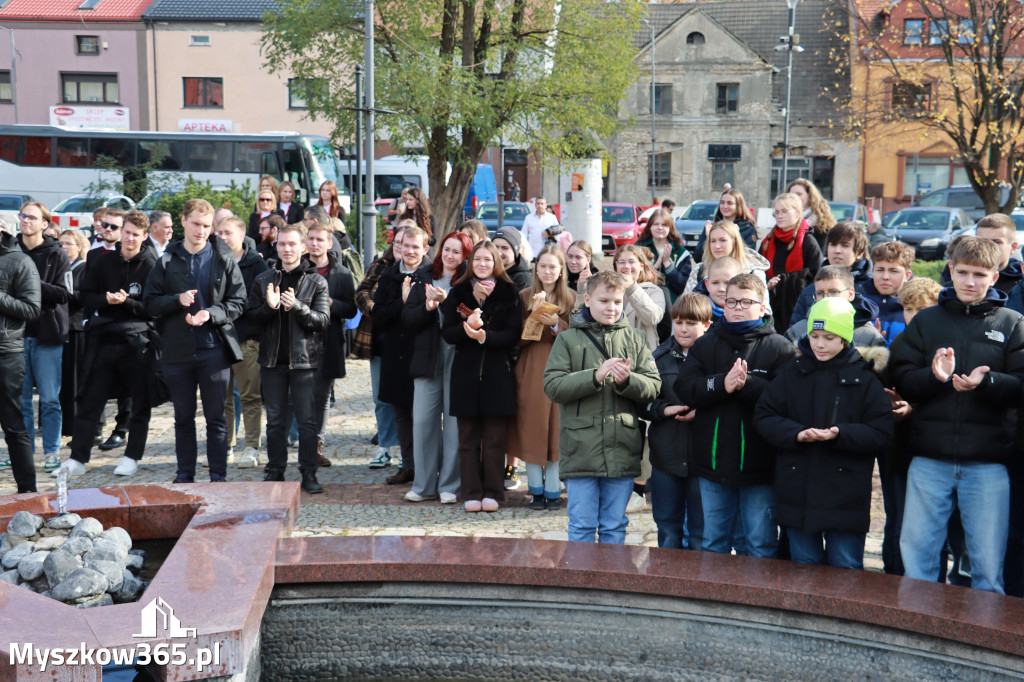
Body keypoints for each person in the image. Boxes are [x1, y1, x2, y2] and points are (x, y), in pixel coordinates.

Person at [892, 236, 1024, 594]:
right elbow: (902, 377)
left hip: (988, 463)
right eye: (963, 272)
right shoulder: (926, 320)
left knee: (987, 569)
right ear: (950, 270)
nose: (970, 281)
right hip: (928, 459)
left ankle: (984, 628)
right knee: (918, 562)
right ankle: (917, 624)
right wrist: (933, 377)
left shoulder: (1012, 323)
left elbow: (1020, 386)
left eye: (979, 275)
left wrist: (988, 382)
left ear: (994, 277)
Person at [756, 298, 893, 569]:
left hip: (846, 494)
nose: (820, 344)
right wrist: (795, 434)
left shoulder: (865, 377)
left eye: (829, 338)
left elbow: (881, 431)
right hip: (798, 491)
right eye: (815, 336)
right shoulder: (792, 372)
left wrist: (840, 434)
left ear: (844, 338)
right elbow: (764, 416)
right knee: (803, 568)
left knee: (845, 568)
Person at [677, 273, 796, 557]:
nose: (737, 307)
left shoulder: (779, 347)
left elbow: (788, 399)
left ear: (762, 307)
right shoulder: (705, 344)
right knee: (714, 543)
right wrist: (721, 384)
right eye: (731, 302)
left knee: (760, 544)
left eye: (745, 302)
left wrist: (748, 385)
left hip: (760, 467)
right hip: (713, 463)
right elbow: (686, 388)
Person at [543, 271, 661, 542]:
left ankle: (611, 572)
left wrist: (628, 381)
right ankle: (580, 572)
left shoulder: (635, 338)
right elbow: (552, 386)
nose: (612, 308)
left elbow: (654, 386)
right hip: (580, 449)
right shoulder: (567, 339)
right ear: (587, 300)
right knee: (582, 525)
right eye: (604, 301)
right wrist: (594, 377)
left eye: (617, 302)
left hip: (622, 448)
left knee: (614, 526)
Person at [144, 198, 246, 484]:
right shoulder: (167, 259)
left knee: (216, 418)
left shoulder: (222, 258)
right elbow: (149, 303)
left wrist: (210, 314)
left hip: (214, 350)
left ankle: (218, 477)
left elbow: (239, 301)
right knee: (183, 418)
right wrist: (176, 300)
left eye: (207, 226)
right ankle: (185, 475)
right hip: (177, 350)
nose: (201, 231)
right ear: (183, 221)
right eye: (196, 224)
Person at [56, 210, 158, 479]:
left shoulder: (152, 265)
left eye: (136, 234)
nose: (130, 238)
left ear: (144, 236)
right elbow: (86, 297)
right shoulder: (103, 262)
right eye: (127, 232)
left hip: (137, 342)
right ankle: (78, 458)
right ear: (121, 232)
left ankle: (131, 457)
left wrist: (127, 302)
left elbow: (153, 308)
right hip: (104, 339)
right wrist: (107, 300)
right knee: (90, 400)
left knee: (139, 404)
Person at [247, 224, 331, 494]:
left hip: (304, 363)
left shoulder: (317, 282)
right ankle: (275, 470)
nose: (287, 249)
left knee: (307, 422)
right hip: (272, 362)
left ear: (303, 247)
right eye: (282, 244)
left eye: (292, 244)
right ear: (276, 246)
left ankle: (309, 473)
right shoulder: (263, 280)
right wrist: (269, 308)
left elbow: (322, 321)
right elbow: (251, 319)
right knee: (275, 421)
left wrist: (296, 307)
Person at [441, 241, 523, 512]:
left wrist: (485, 335)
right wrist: (467, 328)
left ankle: (494, 492)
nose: (482, 264)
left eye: (488, 259)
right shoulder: (459, 291)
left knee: (495, 440)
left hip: (497, 375)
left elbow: (513, 333)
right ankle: (471, 492)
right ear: (470, 262)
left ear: (496, 262)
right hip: (465, 375)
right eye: (477, 259)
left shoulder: (508, 291)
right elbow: (448, 332)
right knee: (467, 440)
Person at [402, 231, 474, 504]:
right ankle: (423, 485)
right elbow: (408, 318)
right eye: (447, 249)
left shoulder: (468, 282)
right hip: (428, 356)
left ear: (465, 256)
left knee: (454, 424)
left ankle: (449, 485)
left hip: (459, 355)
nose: (450, 255)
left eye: (457, 252)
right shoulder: (424, 277)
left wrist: (448, 304)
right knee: (422, 421)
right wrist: (428, 307)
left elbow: (473, 315)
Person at [877, 275, 942, 577]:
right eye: (908, 309)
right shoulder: (899, 343)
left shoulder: (946, 343)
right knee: (897, 515)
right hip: (899, 443)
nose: (913, 316)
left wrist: (914, 407)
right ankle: (892, 576)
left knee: (932, 523)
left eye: (922, 309)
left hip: (933, 442)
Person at [641, 293, 711, 549]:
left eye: (691, 323)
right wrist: (664, 409)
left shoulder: (716, 358)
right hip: (666, 456)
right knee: (668, 529)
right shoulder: (657, 358)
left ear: (706, 325)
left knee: (700, 532)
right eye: (678, 322)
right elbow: (642, 402)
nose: (683, 329)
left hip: (703, 459)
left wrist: (702, 412)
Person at [509, 244, 576, 510]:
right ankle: (535, 489)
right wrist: (535, 320)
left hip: (561, 365)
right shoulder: (525, 295)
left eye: (552, 267)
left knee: (557, 427)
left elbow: (578, 336)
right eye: (543, 266)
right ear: (536, 269)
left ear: (561, 270)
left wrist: (556, 324)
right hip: (531, 364)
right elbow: (516, 338)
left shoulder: (570, 298)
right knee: (532, 425)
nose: (547, 271)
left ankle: (553, 489)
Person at [373, 226, 432, 486]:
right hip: (395, 353)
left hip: (423, 351)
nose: (409, 251)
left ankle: (427, 467)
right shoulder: (389, 276)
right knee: (402, 414)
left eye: (415, 247)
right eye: (405, 246)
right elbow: (379, 316)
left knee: (424, 416)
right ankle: (408, 465)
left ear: (425, 249)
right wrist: (402, 301)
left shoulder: (431, 274)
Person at [17, 201, 70, 474]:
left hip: (47, 335)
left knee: (49, 399)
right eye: (22, 216)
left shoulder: (57, 254)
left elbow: (65, 293)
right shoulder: (9, 250)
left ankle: (51, 452)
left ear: (44, 224)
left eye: (31, 217)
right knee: (20, 400)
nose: (25, 221)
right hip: (15, 335)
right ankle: (23, 452)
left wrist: (30, 282)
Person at [215, 216, 269, 468]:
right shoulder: (213, 260)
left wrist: (228, 309)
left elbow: (257, 303)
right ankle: (225, 447)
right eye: (219, 233)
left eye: (227, 233)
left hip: (246, 339)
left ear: (241, 235)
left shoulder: (257, 264)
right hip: (219, 339)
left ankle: (251, 447)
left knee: (250, 397)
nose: (222, 237)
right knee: (222, 398)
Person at [304, 221, 357, 464]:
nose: (315, 244)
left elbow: (351, 309)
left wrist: (333, 304)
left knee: (322, 396)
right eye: (311, 239)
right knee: (297, 395)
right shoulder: (298, 268)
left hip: (328, 340)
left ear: (329, 243)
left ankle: (316, 445)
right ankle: (299, 440)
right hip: (300, 342)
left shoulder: (342, 273)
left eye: (320, 240)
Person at [356, 226, 406, 469]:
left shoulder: (425, 270)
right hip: (379, 339)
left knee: (408, 399)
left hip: (409, 343)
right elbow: (361, 292)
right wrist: (374, 308)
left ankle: (408, 451)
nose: (401, 248)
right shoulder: (380, 266)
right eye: (397, 242)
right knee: (381, 398)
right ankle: (385, 447)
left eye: (406, 243)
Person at [85, 209, 134, 450]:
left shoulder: (135, 257)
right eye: (105, 225)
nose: (107, 229)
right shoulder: (93, 255)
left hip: (128, 328)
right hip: (100, 326)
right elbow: (87, 292)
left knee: (126, 385)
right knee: (95, 381)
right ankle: (94, 429)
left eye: (114, 227)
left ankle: (121, 429)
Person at [0, 218, 41, 493]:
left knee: (13, 426)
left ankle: (28, 492)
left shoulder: (20, 261)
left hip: (6, 353)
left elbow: (32, 309)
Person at [788, 221, 873, 327]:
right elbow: (796, 330)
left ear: (860, 253)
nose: (837, 251)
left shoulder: (871, 287)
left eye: (845, 245)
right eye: (833, 244)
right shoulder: (811, 290)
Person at [760, 192, 823, 331]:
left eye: (784, 211)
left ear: (798, 213)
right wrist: (768, 283)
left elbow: (817, 274)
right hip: (771, 305)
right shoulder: (768, 241)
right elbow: (758, 269)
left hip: (797, 307)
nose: (779, 216)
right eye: (776, 212)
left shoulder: (808, 241)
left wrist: (784, 280)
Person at [784, 266, 885, 347]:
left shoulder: (870, 336)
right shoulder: (797, 331)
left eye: (833, 291)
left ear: (850, 294)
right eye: (820, 293)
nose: (826, 298)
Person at [57, 230, 89, 438]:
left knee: (75, 379)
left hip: (76, 328)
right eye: (61, 243)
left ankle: (75, 423)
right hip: (58, 328)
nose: (64, 247)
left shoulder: (84, 268)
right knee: (61, 379)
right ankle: (62, 423)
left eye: (69, 243)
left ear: (79, 247)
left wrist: (67, 294)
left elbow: (85, 296)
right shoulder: (57, 267)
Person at [685, 220, 770, 298]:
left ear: (734, 242)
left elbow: (763, 307)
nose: (717, 246)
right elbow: (686, 305)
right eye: (713, 241)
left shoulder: (753, 272)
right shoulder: (699, 270)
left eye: (723, 240)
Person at [612, 244, 665, 350]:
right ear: (616, 266)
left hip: (642, 353)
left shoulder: (653, 291)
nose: (626, 266)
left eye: (631, 261)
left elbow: (653, 318)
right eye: (621, 262)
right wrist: (584, 286)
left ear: (641, 266)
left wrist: (632, 287)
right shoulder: (609, 291)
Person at [863, 241, 915, 346]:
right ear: (872, 271)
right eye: (880, 270)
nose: (885, 277)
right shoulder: (860, 301)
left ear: (907, 275)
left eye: (893, 271)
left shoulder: (916, 306)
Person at [636, 208, 691, 297]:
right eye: (656, 224)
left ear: (670, 228)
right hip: (644, 300)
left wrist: (667, 264)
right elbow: (633, 280)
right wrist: (655, 267)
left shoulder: (681, 252)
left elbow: (683, 286)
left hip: (673, 303)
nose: (660, 227)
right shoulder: (638, 249)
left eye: (664, 225)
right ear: (649, 227)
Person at [698, 188, 757, 254]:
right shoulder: (711, 227)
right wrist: (708, 238)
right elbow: (698, 256)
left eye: (730, 203)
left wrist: (735, 237)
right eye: (722, 203)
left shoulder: (747, 228)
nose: (725, 206)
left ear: (738, 206)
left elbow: (748, 256)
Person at [787, 178, 836, 252]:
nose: (795, 198)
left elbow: (820, 253)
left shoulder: (821, 223)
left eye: (799, 194)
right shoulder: (784, 220)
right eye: (791, 195)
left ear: (810, 196)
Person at [701, 257, 744, 323]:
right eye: (715, 283)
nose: (721, 289)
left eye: (728, 283)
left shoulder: (750, 315)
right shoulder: (697, 316)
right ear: (707, 285)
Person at [493, 226, 533, 291]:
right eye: (495, 247)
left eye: (505, 248)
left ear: (516, 251)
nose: (499, 253)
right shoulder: (488, 272)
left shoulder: (523, 280)